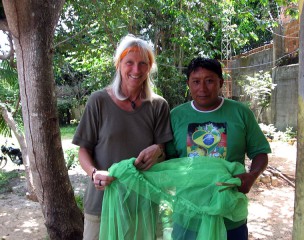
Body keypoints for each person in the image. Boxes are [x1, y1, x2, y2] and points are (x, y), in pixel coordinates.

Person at [72, 34, 173, 240]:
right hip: (102, 202)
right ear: (119, 64)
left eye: (143, 64)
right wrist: (94, 173)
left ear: (150, 67)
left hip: (142, 204)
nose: (136, 70)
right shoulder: (98, 101)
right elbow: (84, 149)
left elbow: (163, 152)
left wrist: (158, 151)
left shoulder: (158, 105)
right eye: (130, 63)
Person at [166, 57, 271, 240]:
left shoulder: (240, 113)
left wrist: (252, 176)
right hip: (188, 214)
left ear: (220, 82)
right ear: (188, 84)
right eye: (196, 82)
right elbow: (168, 159)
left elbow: (260, 152)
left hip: (229, 214)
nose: (202, 88)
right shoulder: (176, 116)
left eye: (209, 81)